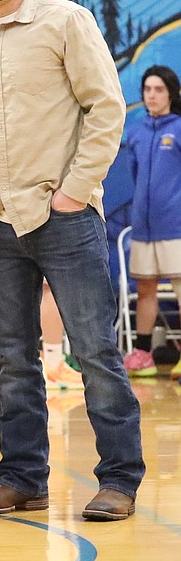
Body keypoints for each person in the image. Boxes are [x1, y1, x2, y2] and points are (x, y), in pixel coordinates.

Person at [0, 0, 143, 521]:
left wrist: (73, 190)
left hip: (65, 218)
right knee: (12, 359)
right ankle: (23, 478)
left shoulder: (67, 21)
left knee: (95, 353)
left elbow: (105, 108)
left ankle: (118, 479)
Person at [124, 65, 181, 373]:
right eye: (147, 89)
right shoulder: (136, 132)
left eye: (159, 89)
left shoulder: (179, 128)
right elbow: (135, 175)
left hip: (176, 227)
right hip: (144, 228)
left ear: (171, 93)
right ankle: (143, 353)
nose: (152, 95)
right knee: (145, 288)